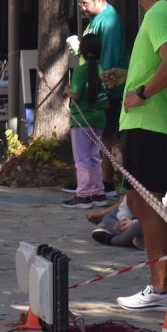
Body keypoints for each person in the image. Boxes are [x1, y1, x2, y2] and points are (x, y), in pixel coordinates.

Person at [102, 0, 167, 311]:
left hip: (150, 125)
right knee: (139, 201)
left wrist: (139, 92)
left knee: (147, 202)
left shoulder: (160, 14)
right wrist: (129, 79)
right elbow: (159, 66)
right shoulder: (157, 15)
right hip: (146, 124)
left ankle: (163, 286)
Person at [71, 0, 128, 198]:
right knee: (96, 140)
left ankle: (105, 182)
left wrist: (102, 91)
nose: (82, 8)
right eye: (81, 4)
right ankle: (94, 182)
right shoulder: (96, 19)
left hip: (104, 89)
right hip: (93, 86)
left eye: (85, 3)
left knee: (104, 138)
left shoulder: (109, 21)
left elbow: (110, 60)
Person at [62, 33, 108, 209]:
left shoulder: (80, 71)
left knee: (82, 159)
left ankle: (82, 194)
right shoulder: (101, 69)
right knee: (95, 157)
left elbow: (76, 94)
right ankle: (98, 192)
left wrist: (67, 90)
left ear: (81, 51)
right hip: (99, 119)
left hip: (81, 120)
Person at [88, 192, 167, 249]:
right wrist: (123, 220)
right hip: (134, 225)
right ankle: (135, 241)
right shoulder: (133, 189)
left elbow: (158, 218)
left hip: (158, 230)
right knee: (107, 217)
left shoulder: (163, 196)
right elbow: (124, 207)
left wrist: (132, 223)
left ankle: (115, 240)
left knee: (139, 226)